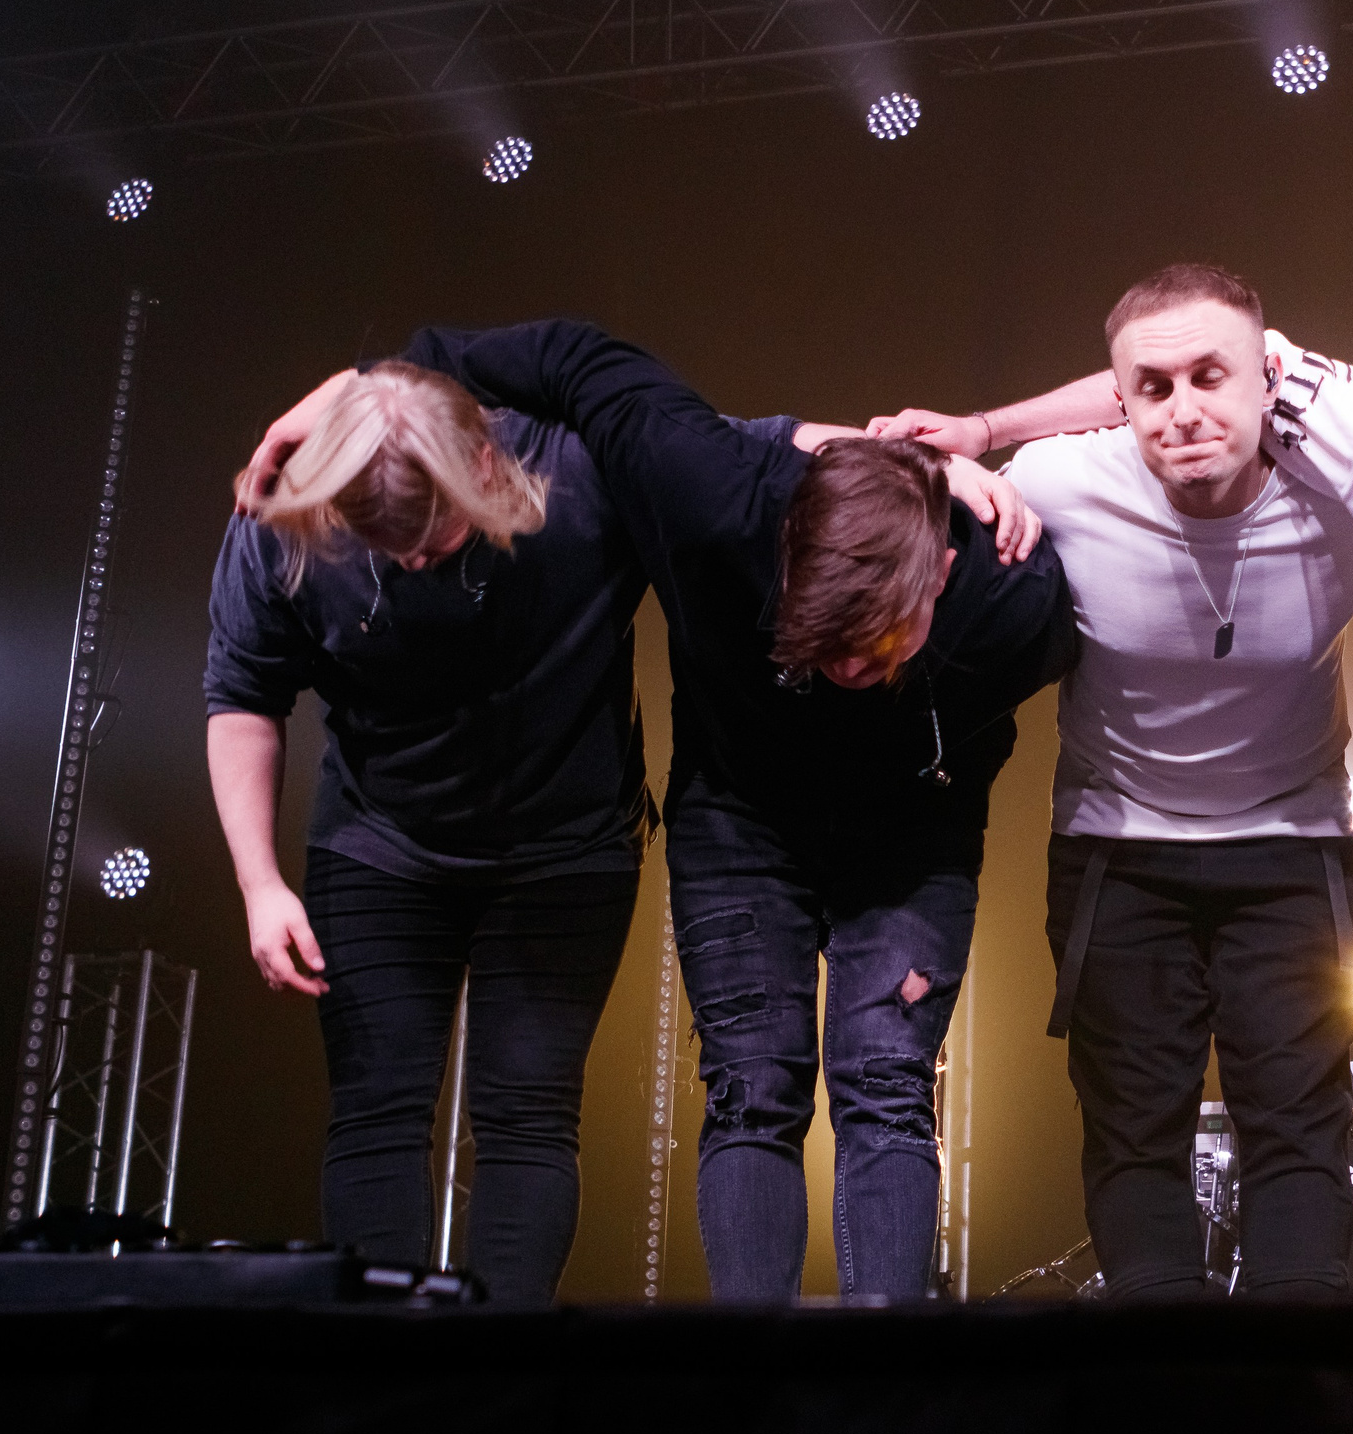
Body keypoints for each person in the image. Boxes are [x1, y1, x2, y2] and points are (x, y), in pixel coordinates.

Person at [242, 321, 1075, 1303]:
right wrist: (348, 390)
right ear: (784, 542)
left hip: (911, 830)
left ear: (938, 574)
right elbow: (558, 355)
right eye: (824, 642)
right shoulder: (707, 490)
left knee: (886, 1085)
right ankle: (749, 1389)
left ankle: (874, 1387)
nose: (850, 668)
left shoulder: (1020, 603)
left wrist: (941, 462)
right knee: (752, 1085)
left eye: (880, 647)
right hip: (738, 820)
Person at [873, 263, 1353, 1298]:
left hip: (1291, 849)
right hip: (1120, 852)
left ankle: (1299, 1402)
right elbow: (870, 471)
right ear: (1121, 399)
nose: (1185, 411)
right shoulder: (1066, 481)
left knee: (1298, 1136)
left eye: (1214, 377)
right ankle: (1169, 1394)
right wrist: (967, 458)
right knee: (1132, 1141)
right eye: (1154, 389)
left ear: (1269, 377)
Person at [208, 360, 652, 1305]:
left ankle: (494, 1377)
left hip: (563, 846)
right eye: (384, 542)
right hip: (379, 840)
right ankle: (387, 1379)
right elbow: (244, 695)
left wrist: (949, 465)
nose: (412, 562)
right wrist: (259, 881)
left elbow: (754, 455)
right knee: (375, 1113)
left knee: (529, 1119)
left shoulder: (580, 470)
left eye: (433, 538)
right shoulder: (286, 517)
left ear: (486, 466)